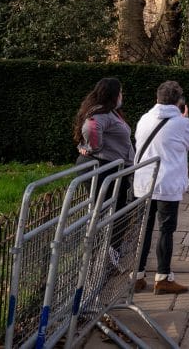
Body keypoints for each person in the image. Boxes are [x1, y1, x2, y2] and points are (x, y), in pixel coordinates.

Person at [132, 80, 189, 294]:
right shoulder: (180, 123)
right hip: (167, 184)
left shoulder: (144, 118)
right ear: (179, 102)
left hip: (143, 182)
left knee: (143, 229)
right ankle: (163, 278)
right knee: (166, 231)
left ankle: (137, 276)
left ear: (157, 98)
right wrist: (186, 119)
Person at [73, 77, 135, 268]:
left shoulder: (112, 113)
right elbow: (91, 127)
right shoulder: (100, 115)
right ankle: (104, 253)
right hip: (105, 169)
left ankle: (110, 250)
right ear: (113, 95)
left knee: (119, 209)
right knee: (110, 210)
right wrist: (91, 147)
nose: (122, 96)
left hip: (116, 168)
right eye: (120, 92)